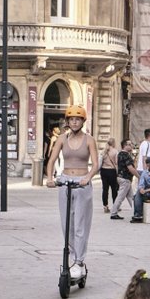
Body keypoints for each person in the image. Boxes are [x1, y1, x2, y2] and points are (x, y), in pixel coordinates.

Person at [45, 105, 99, 280]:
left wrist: (88, 177)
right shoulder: (62, 138)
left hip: (82, 183)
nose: (74, 122)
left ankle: (80, 262)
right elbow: (51, 160)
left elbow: (96, 164)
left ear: (82, 121)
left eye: (78, 119)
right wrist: (50, 178)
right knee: (67, 224)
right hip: (65, 181)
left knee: (80, 224)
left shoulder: (89, 140)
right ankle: (72, 258)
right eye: (72, 119)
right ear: (67, 122)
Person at [110, 139, 138, 220]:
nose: (131, 145)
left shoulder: (120, 154)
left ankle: (136, 212)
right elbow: (130, 168)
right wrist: (138, 176)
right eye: (129, 144)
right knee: (121, 197)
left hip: (122, 178)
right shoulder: (126, 155)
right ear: (125, 146)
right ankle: (114, 213)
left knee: (131, 197)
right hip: (125, 178)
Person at [131, 157, 150, 223]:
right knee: (138, 193)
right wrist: (141, 189)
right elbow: (141, 183)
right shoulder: (145, 173)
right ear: (148, 165)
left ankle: (138, 214)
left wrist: (146, 190)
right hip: (148, 192)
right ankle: (138, 216)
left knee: (136, 197)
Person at [99, 137, 119, 213]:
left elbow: (100, 162)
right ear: (113, 143)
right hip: (112, 171)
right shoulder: (115, 151)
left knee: (105, 189)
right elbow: (116, 163)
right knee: (114, 189)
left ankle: (105, 206)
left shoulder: (103, 151)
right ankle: (115, 205)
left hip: (104, 171)